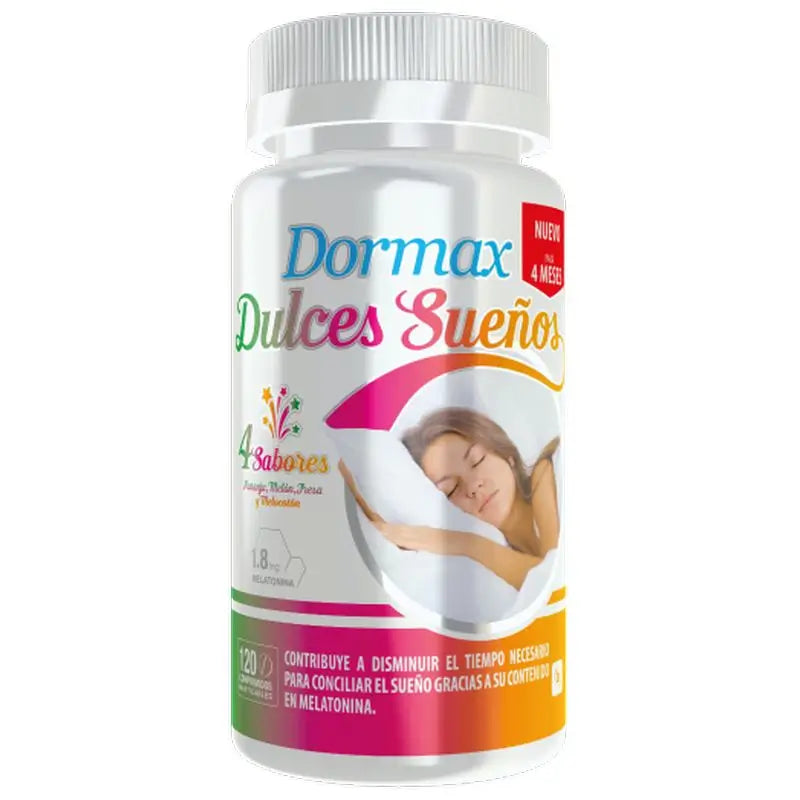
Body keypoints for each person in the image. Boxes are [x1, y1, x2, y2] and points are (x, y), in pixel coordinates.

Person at [338, 407, 560, 590]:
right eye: (451, 489)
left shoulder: (548, 471)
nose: (473, 486)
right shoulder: (504, 561)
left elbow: (552, 580)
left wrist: (464, 543)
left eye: (477, 460)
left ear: (506, 454)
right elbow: (389, 532)